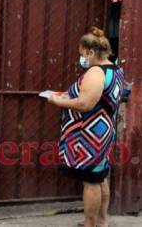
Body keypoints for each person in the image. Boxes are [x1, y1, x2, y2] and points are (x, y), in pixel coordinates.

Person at [48, 27, 124, 227]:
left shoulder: (96, 72)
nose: (81, 58)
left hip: (88, 134)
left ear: (91, 52)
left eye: (82, 53)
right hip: (101, 131)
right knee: (100, 176)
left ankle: (90, 224)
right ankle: (101, 221)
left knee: (91, 180)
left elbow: (85, 104)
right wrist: (66, 94)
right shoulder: (115, 69)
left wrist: (58, 102)